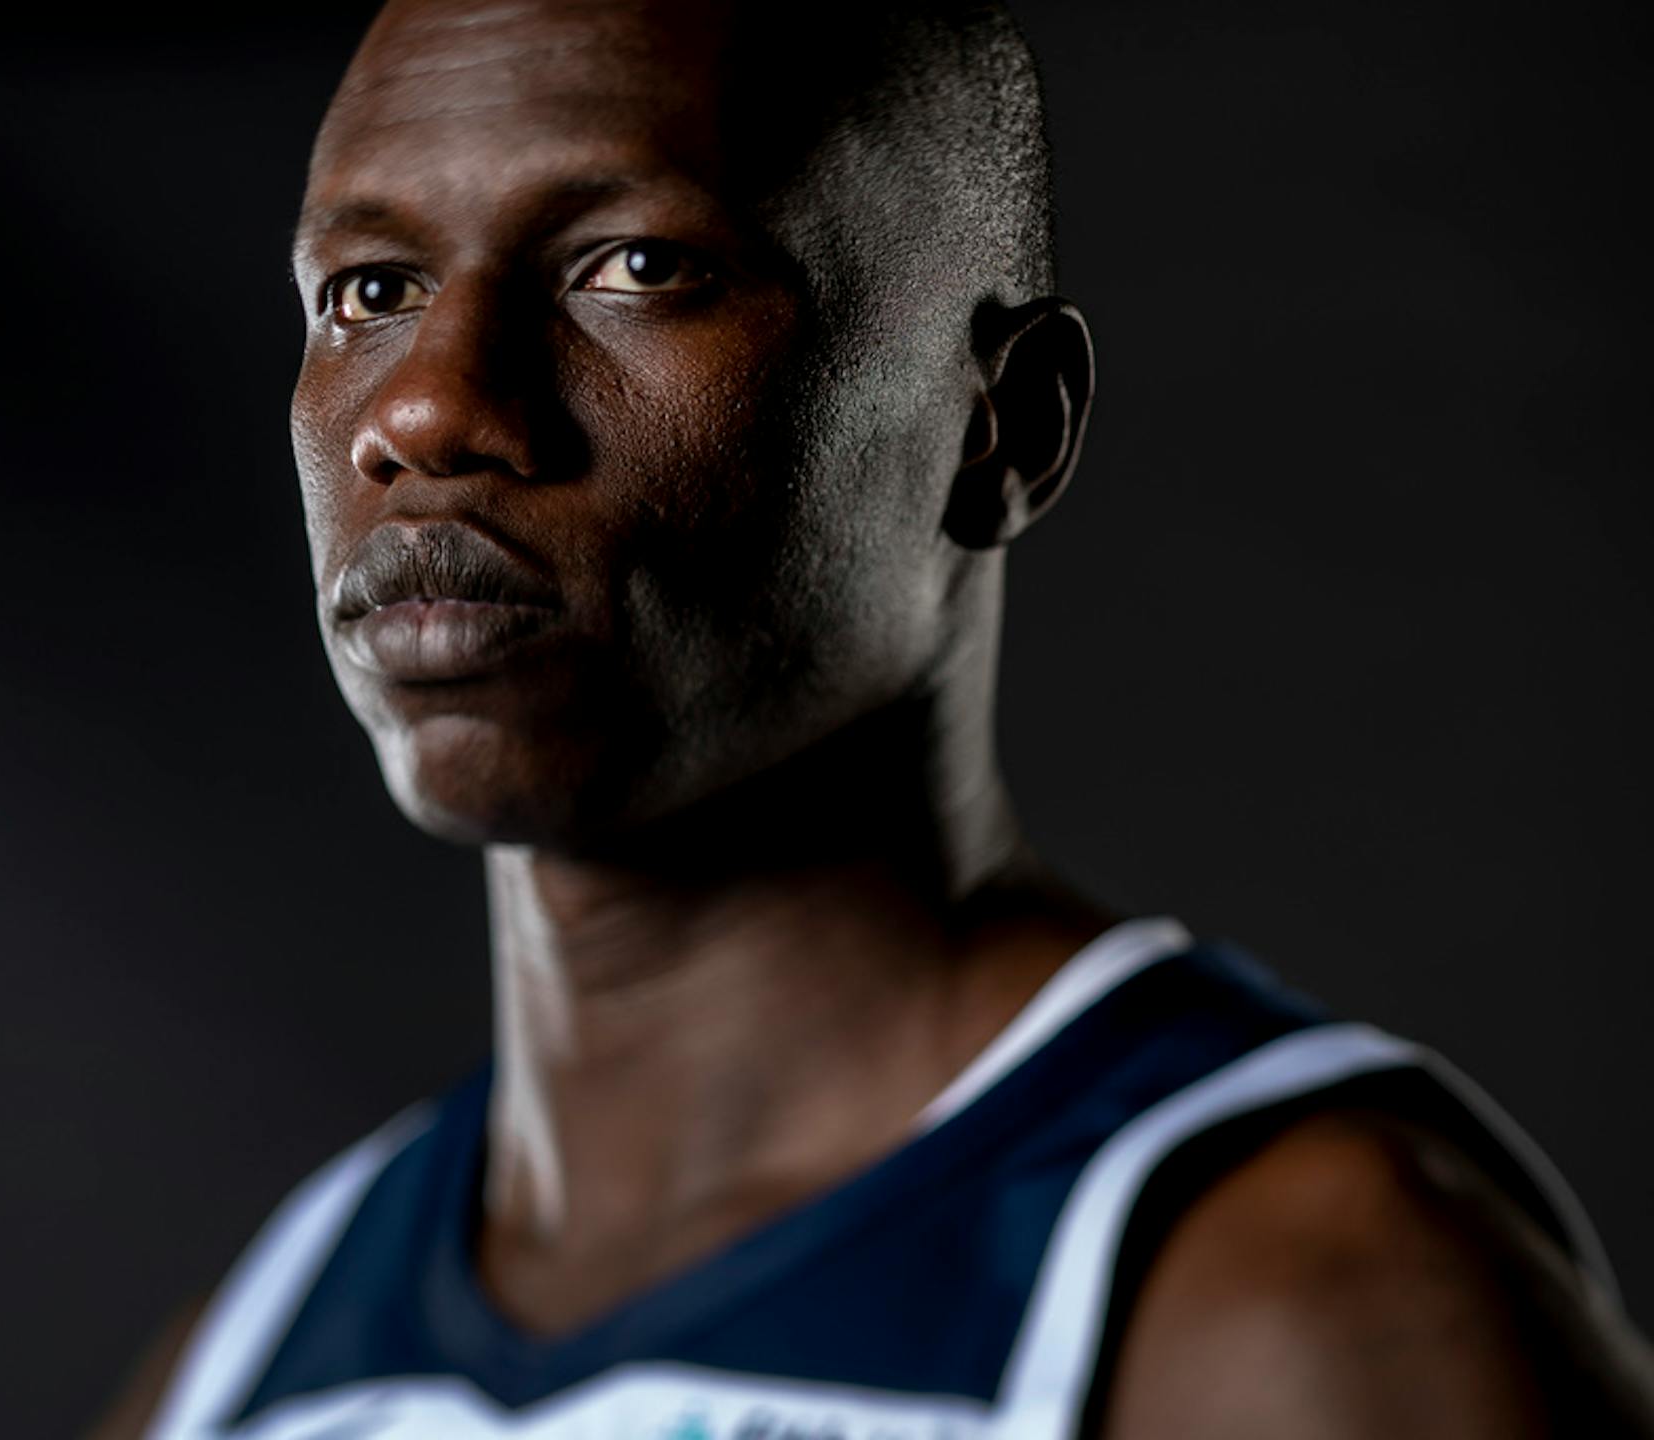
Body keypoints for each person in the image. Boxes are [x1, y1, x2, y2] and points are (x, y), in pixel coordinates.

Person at [96, 1, 1654, 1434]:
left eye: (636, 265)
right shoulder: (249, 1360)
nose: (426, 406)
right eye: (371, 289)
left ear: (1005, 429)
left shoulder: (1297, 1287)